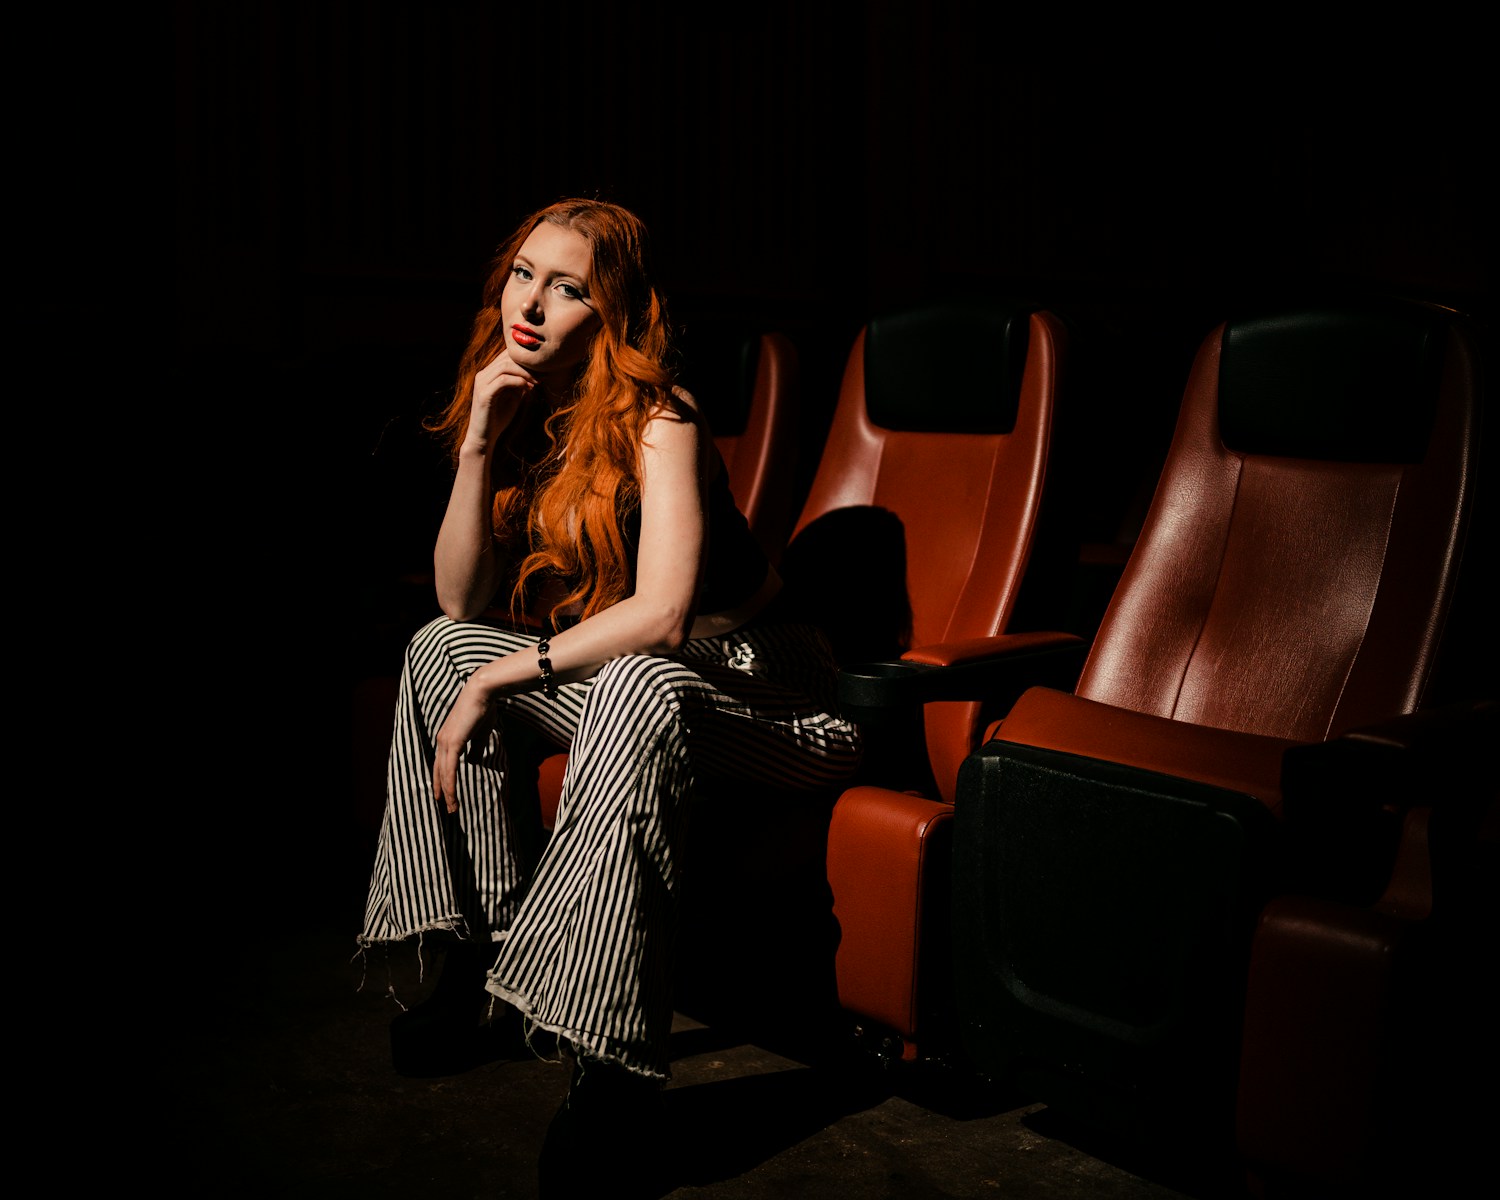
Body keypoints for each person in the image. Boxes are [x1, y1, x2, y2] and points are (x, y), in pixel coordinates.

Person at [355, 198, 861, 1191]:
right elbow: (461, 605)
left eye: (568, 286)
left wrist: (504, 674)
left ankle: (612, 1067)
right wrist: (476, 446)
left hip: (772, 701)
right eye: (521, 274)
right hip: (641, 694)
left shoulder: (664, 418)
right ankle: (483, 969)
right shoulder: (523, 412)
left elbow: (665, 615)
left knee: (619, 673)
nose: (531, 304)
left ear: (616, 310)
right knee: (435, 648)